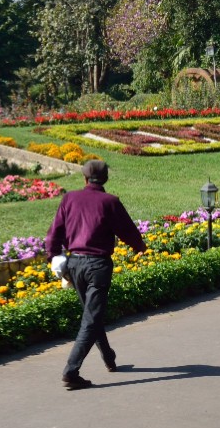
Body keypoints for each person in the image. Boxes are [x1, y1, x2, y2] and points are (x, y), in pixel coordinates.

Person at [45, 159, 147, 390]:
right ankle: (71, 371)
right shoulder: (110, 202)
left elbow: (55, 232)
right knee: (91, 318)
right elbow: (127, 230)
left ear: (84, 178)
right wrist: (140, 247)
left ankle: (109, 358)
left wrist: (53, 256)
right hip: (98, 266)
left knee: (92, 314)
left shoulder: (69, 198)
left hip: (75, 265)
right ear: (106, 179)